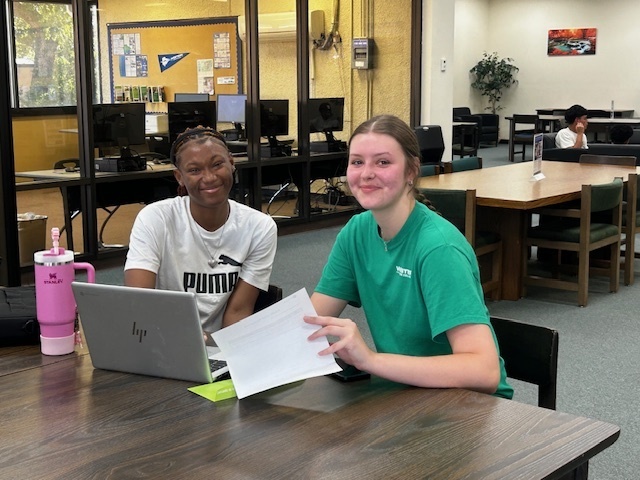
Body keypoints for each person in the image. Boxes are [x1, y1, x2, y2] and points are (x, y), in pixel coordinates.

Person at [304, 114, 513, 398]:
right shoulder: (356, 233)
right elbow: (311, 320)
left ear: (411, 171)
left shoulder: (439, 248)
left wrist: (370, 360)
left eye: (383, 162)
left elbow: (484, 371)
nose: (366, 173)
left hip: (467, 405)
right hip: (403, 392)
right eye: (357, 162)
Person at [124, 126, 277, 341]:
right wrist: (188, 339)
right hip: (161, 339)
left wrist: (219, 352)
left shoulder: (260, 227)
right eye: (195, 170)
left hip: (219, 346)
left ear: (231, 164)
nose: (209, 177)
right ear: (179, 177)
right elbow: (139, 304)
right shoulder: (155, 219)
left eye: (217, 164)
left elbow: (238, 312)